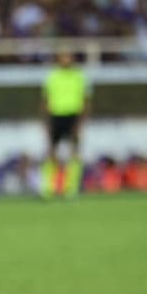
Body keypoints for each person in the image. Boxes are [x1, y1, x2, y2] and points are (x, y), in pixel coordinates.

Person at [39, 50, 91, 200]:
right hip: (56, 115)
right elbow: (45, 100)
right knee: (51, 152)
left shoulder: (79, 76)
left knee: (74, 151)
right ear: (58, 59)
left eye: (68, 57)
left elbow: (86, 100)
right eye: (63, 57)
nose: (65, 60)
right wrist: (46, 121)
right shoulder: (52, 76)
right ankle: (48, 188)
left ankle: (71, 188)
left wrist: (81, 121)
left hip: (73, 115)